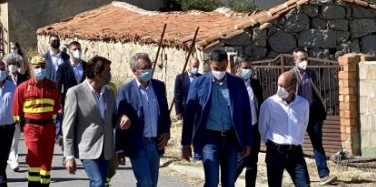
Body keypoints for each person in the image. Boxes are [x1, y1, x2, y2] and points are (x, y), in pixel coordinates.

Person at [181, 49, 252, 187]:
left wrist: (247, 142)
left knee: (229, 182)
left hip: (231, 139)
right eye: (216, 68)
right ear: (209, 64)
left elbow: (246, 114)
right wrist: (185, 144)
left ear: (228, 64)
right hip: (209, 139)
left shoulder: (237, 84)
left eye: (223, 68)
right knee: (212, 181)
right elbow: (189, 115)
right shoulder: (199, 83)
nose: (219, 71)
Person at [115, 53, 170, 187]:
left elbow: (164, 113)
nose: (149, 70)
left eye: (150, 67)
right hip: (138, 144)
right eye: (145, 68)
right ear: (135, 71)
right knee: (145, 182)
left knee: (152, 183)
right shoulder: (125, 90)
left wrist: (166, 132)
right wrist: (119, 149)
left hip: (155, 144)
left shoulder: (159, 87)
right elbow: (119, 121)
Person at [62, 56, 116, 187]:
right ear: (97, 74)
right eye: (107, 71)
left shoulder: (108, 92)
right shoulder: (75, 92)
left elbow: (114, 117)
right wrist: (68, 156)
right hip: (88, 148)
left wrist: (122, 119)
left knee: (101, 182)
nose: (110, 74)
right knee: (97, 181)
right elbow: (67, 126)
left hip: (107, 148)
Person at [12, 55, 61, 187]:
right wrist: (24, 127)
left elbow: (56, 109)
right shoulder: (22, 88)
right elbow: (17, 113)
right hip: (31, 127)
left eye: (43, 67)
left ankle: (45, 184)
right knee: (34, 159)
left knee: (46, 161)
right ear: (31, 69)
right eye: (37, 67)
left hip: (49, 128)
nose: (40, 69)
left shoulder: (53, 86)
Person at [291, 49, 335, 185]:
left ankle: (324, 174)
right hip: (297, 116)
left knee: (317, 144)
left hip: (313, 114)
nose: (304, 62)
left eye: (305, 59)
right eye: (301, 59)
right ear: (294, 60)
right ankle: (297, 175)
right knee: (294, 146)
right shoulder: (290, 76)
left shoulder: (312, 74)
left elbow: (316, 93)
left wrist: (320, 115)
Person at [260, 71, 311, 187]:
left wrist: (295, 139)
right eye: (278, 85)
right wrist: (269, 145)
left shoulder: (303, 104)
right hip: (275, 151)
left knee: (304, 184)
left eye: (282, 86)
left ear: (292, 88)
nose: (279, 89)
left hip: (295, 152)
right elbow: (263, 127)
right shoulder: (269, 104)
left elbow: (303, 125)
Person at [234, 58, 264, 187]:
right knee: (240, 160)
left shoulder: (255, 84)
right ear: (237, 69)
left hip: (254, 127)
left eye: (250, 68)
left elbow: (260, 104)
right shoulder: (231, 84)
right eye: (245, 68)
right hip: (239, 130)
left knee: (252, 162)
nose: (248, 70)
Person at [3, 53, 30, 173]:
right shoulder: (4, 79)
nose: (12, 66)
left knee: (17, 136)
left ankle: (15, 158)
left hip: (21, 112)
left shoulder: (24, 78)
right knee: (10, 137)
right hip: (7, 112)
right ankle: (11, 158)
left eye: (14, 64)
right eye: (10, 64)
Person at [56, 41, 85, 109]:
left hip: (84, 103)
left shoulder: (86, 66)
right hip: (68, 102)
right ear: (69, 52)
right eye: (74, 49)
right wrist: (59, 103)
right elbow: (58, 86)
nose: (77, 51)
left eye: (79, 49)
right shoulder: (62, 67)